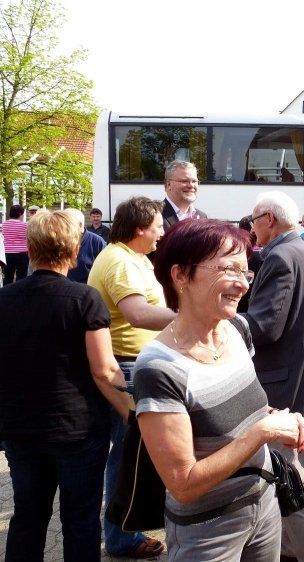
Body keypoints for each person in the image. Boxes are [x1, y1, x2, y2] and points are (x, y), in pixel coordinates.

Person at [136, 218, 304, 561]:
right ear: (180, 275)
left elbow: (241, 409)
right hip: (207, 530)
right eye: (229, 269)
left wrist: (280, 419)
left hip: (264, 504)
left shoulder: (236, 331)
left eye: (245, 272)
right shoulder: (158, 368)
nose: (243, 284)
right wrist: (263, 432)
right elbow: (183, 485)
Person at [0, 210, 128, 562]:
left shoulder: (4, 299)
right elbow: (105, 370)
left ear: (29, 249)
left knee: (27, 516)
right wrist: (130, 413)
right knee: (81, 519)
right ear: (74, 251)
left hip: (21, 427)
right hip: (77, 429)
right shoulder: (84, 299)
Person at [244, 192, 304, 562]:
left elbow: (266, 325)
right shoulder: (298, 249)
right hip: (299, 377)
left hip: (288, 384)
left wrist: (222, 322)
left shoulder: (281, 256)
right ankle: (289, 550)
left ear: (269, 218)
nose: (252, 228)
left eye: (254, 220)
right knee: (293, 474)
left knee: (294, 480)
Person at [87, 196, 175, 558]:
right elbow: (138, 314)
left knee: (130, 455)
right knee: (126, 458)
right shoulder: (120, 261)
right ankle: (121, 538)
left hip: (134, 365)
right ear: (140, 229)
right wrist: (191, 318)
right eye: (157, 226)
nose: (162, 232)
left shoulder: (133, 257)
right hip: (126, 368)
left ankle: (124, 530)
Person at [64, 208, 107, 284]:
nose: (63, 227)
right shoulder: (58, 241)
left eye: (67, 224)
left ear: (80, 226)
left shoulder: (97, 242)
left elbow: (105, 271)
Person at [161, 160, 207, 229]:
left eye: (194, 181)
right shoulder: (155, 215)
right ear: (169, 184)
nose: (191, 185)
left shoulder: (202, 217)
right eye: (184, 181)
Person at [1, 204, 29, 285]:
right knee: (21, 277)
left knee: (7, 276)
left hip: (7, 254)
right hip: (22, 254)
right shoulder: (25, 225)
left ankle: (6, 291)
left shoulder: (3, 225)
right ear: (20, 214)